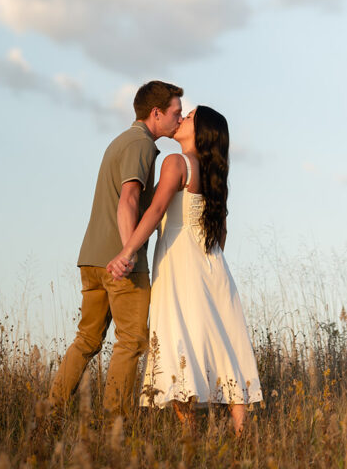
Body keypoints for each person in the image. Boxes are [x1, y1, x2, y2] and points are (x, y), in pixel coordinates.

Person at [107, 105, 262, 434]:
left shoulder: (176, 163)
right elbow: (220, 235)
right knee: (226, 345)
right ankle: (242, 437)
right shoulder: (215, 178)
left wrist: (128, 250)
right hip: (214, 266)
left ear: (201, 131)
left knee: (178, 341)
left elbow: (158, 207)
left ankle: (191, 438)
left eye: (189, 117)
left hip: (180, 266)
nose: (182, 119)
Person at [48, 80, 183, 415]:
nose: (179, 119)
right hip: (119, 261)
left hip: (92, 258)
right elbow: (128, 200)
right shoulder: (140, 145)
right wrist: (128, 253)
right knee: (132, 342)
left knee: (88, 340)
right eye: (176, 113)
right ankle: (114, 427)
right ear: (156, 113)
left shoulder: (122, 141)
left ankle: (49, 413)